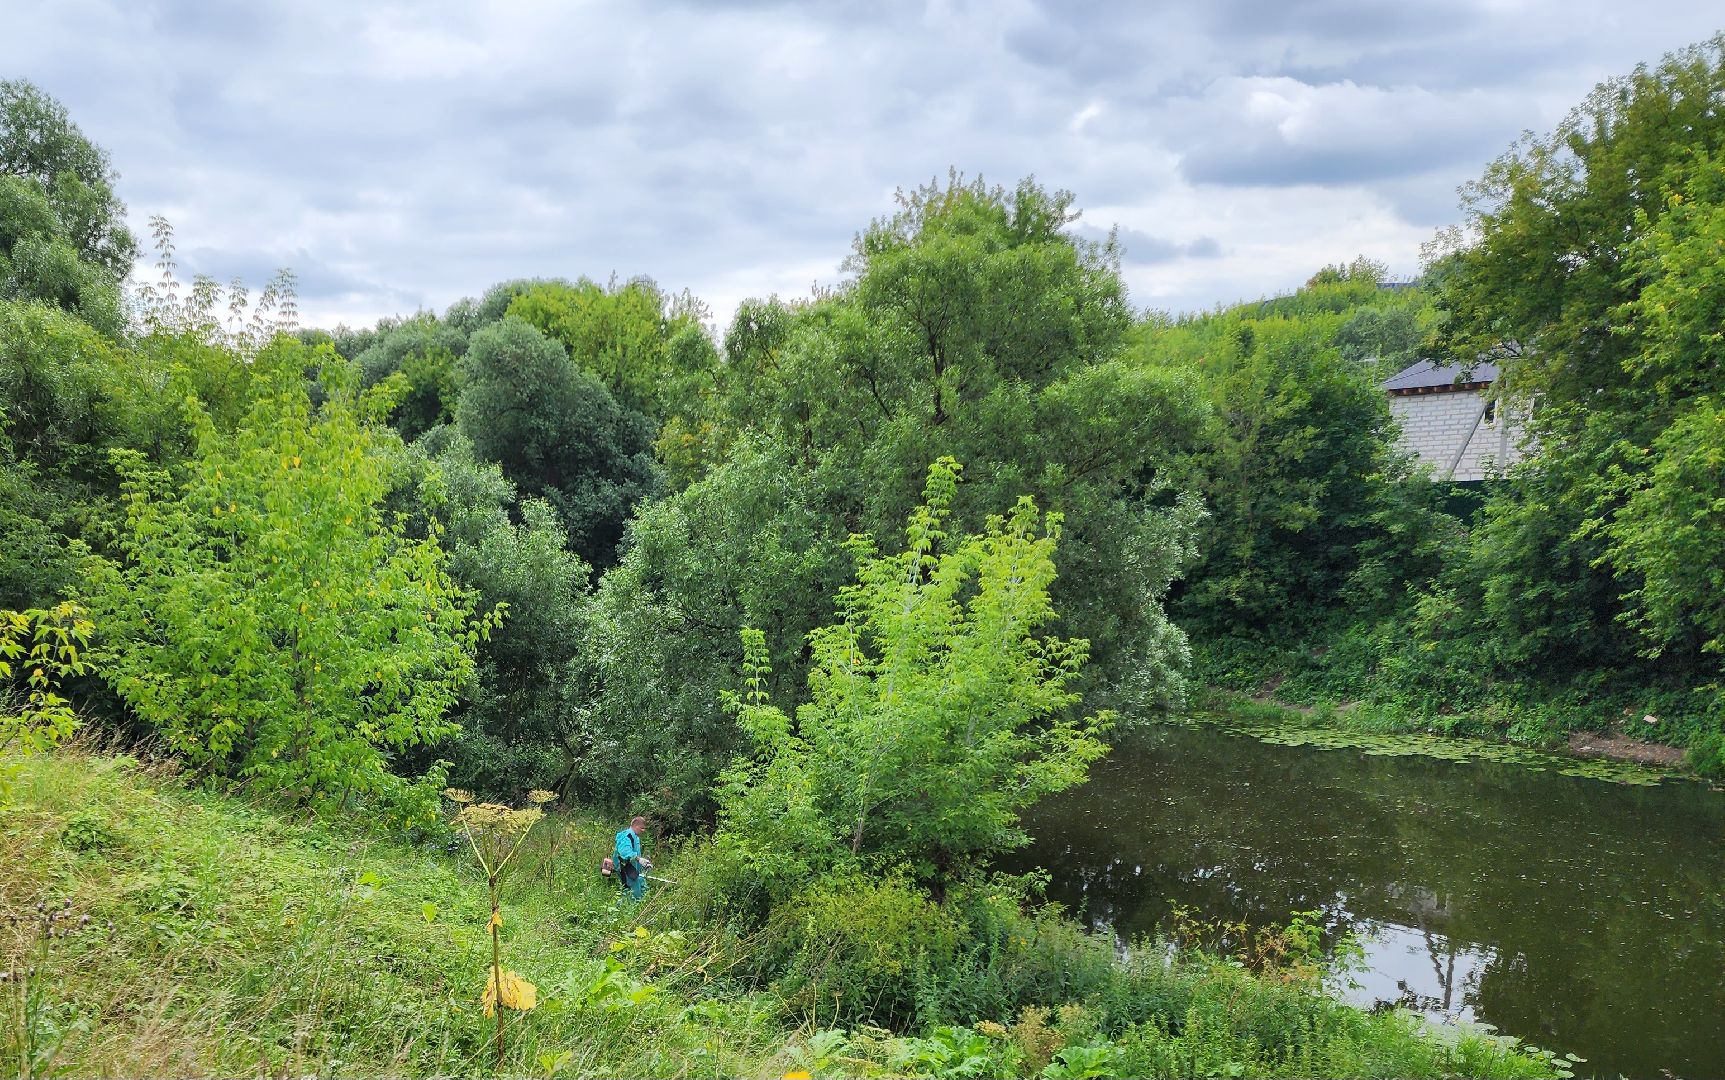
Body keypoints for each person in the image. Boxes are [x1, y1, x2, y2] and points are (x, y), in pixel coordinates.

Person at [613, 815, 650, 901]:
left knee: (642, 887)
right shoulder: (627, 836)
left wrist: (644, 863)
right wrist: (639, 859)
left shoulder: (636, 837)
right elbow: (625, 852)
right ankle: (621, 910)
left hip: (633, 869)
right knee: (632, 894)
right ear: (636, 826)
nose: (643, 830)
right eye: (642, 828)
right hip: (625, 868)